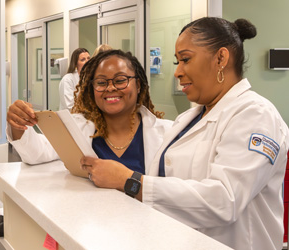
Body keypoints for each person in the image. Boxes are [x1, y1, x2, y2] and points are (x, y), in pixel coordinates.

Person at [79, 18, 289, 250]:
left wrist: (130, 181)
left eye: (186, 59)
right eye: (177, 62)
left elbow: (223, 201)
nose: (177, 72)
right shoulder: (188, 120)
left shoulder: (256, 115)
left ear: (221, 58)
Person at [6, 49, 172, 175]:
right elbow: (37, 154)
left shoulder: (168, 133)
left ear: (139, 84)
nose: (110, 88)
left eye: (120, 80)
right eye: (101, 82)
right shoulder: (79, 126)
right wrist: (18, 125)